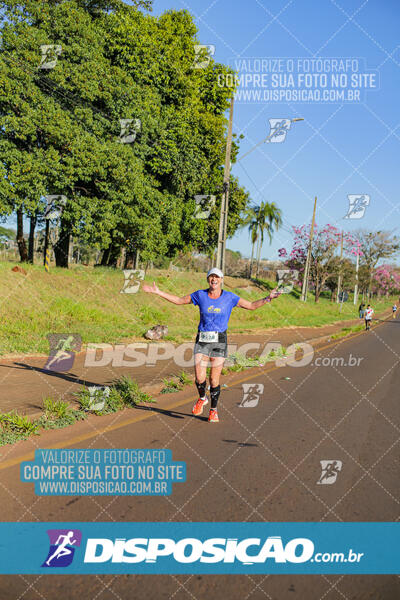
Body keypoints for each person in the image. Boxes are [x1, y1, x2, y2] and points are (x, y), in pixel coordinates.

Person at [143, 268, 281, 423]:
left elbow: (251, 305)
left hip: (219, 340)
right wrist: (158, 292)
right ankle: (202, 398)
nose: (214, 280)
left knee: (214, 380)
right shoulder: (200, 295)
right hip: (202, 339)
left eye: (217, 277)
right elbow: (179, 300)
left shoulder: (229, 297)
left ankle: (213, 410)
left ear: (221, 280)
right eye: (211, 277)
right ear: (208, 279)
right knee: (199, 377)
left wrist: (268, 298)